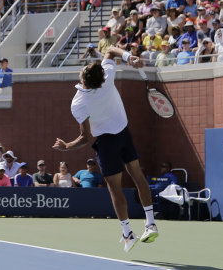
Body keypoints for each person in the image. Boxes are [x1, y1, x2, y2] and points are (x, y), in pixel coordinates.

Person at [53, 46, 159, 252]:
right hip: (124, 133)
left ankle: (128, 233)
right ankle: (150, 222)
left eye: (83, 69)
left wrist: (67, 147)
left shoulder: (78, 103)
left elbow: (86, 137)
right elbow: (110, 50)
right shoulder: (107, 76)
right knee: (137, 175)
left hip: (106, 144)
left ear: (83, 80)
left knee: (114, 188)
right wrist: (131, 58)